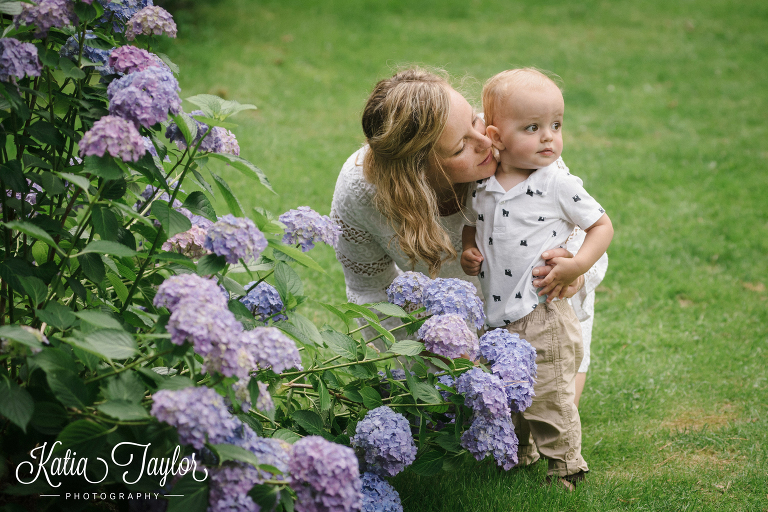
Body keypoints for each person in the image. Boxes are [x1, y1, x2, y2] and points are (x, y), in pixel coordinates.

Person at [329, 66, 605, 476]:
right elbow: (368, 290)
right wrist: (417, 368)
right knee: (457, 424)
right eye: (461, 147)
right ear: (416, 173)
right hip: (449, 314)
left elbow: (587, 238)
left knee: (551, 401)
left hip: (540, 301)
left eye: (476, 122)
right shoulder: (361, 192)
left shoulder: (518, 145)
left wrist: (573, 269)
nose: (487, 144)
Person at [460, 68, 614, 489]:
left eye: (556, 125)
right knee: (512, 391)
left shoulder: (557, 183)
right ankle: (521, 452)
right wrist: (469, 250)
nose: (549, 137)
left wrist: (578, 265)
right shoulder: (483, 185)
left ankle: (566, 466)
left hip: (542, 311)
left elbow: (602, 226)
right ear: (495, 135)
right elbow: (473, 225)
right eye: (533, 127)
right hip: (499, 314)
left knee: (548, 395)